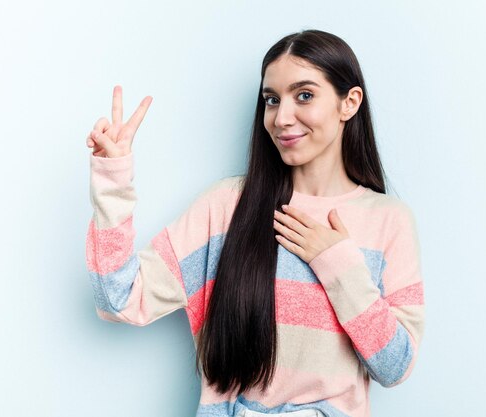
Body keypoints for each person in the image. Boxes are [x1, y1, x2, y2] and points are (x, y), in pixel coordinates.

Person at [85, 29, 425, 417]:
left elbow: (395, 366)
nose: (281, 118)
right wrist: (113, 179)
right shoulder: (226, 208)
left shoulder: (389, 221)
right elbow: (119, 298)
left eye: (305, 96)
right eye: (271, 100)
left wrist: (339, 266)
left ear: (349, 102)